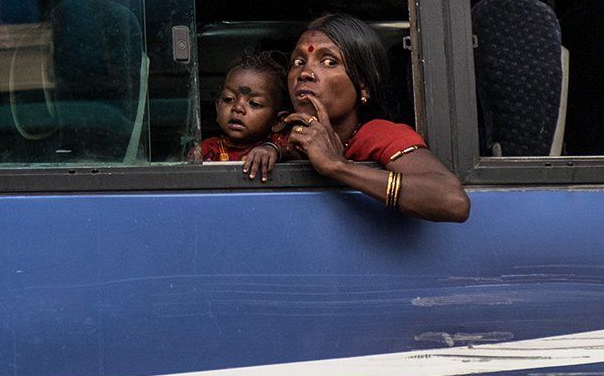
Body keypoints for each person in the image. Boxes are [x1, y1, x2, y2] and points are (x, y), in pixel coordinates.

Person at [252, 14, 469, 222]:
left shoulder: (378, 134)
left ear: (363, 84)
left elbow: (453, 201)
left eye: (329, 62)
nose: (305, 73)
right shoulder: (282, 134)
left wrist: (338, 166)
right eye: (299, 61)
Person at [201, 51, 289, 179]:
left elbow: (295, 152)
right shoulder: (207, 149)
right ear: (217, 108)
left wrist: (273, 150)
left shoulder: (279, 142)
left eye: (254, 103)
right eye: (228, 99)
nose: (237, 108)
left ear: (278, 122)